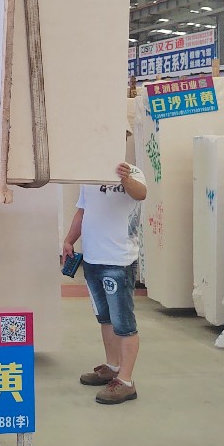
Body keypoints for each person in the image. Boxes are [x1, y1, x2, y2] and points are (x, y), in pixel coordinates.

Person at [62, 156, 147, 405]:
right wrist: (69, 239)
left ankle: (126, 381)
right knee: (105, 318)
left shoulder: (133, 172)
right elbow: (83, 210)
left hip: (119, 261)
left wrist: (125, 178)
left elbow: (141, 194)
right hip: (92, 259)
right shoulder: (89, 176)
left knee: (124, 322)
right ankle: (112, 367)